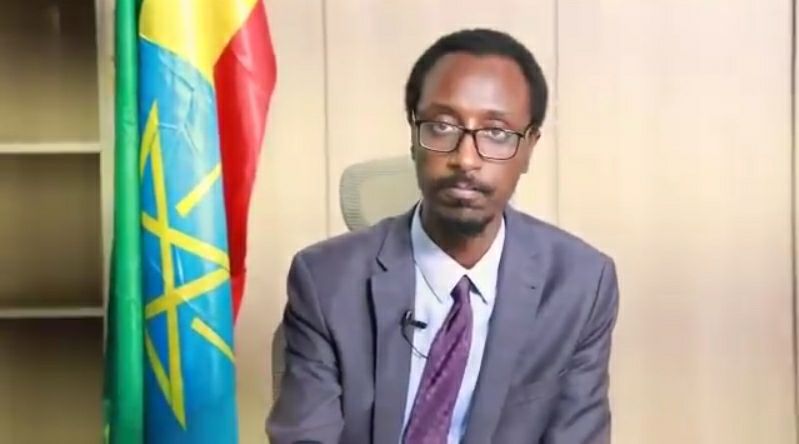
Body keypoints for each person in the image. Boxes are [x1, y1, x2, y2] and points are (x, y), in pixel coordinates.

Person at [267, 28, 619, 444]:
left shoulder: (580, 285)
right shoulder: (325, 280)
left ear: (529, 147)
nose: (465, 159)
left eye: (497, 132)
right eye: (442, 126)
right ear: (413, 135)